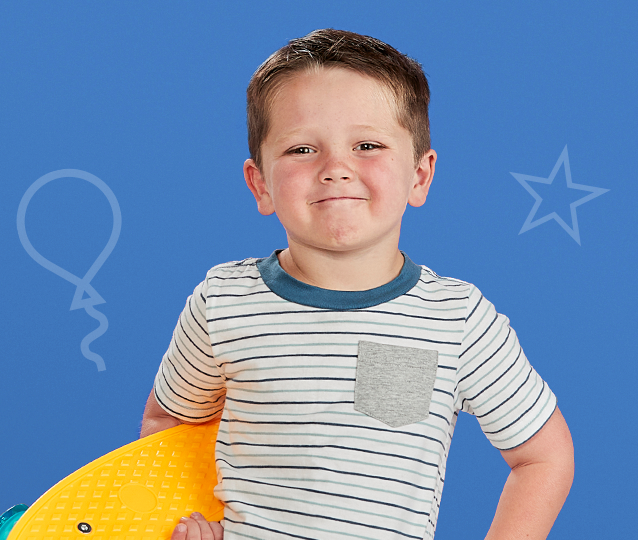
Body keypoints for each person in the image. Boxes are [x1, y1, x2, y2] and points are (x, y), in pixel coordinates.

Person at [140, 29, 574, 540]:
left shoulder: (457, 319)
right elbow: (169, 424)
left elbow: (544, 457)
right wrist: (190, 521)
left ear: (420, 175)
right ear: (260, 183)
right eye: (302, 148)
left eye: (367, 145)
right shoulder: (223, 303)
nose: (336, 169)